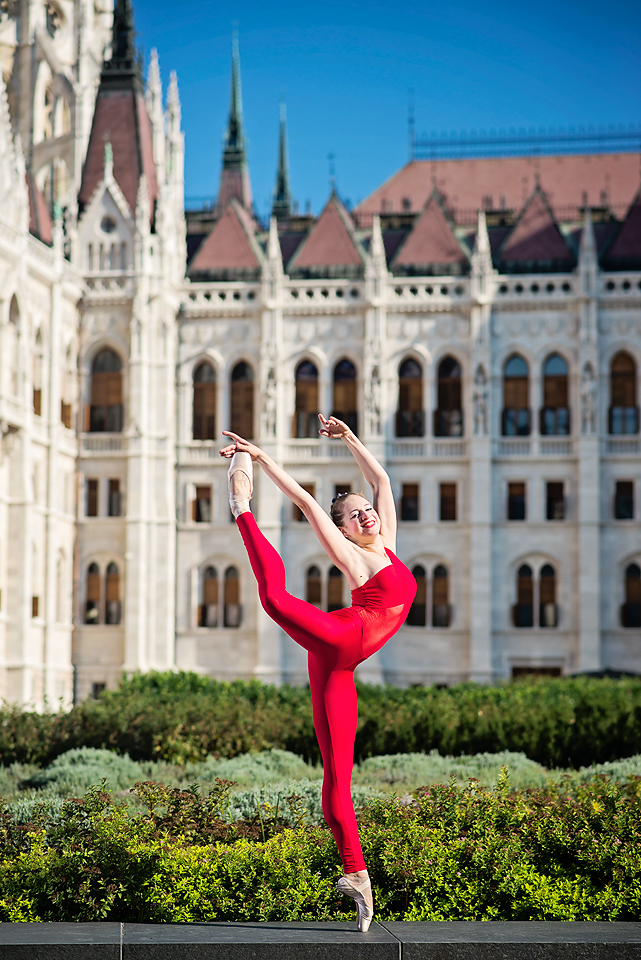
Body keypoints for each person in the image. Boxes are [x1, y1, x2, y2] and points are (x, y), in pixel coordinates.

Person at [219, 414, 417, 931]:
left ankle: (356, 873)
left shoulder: (389, 545)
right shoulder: (354, 558)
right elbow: (308, 504)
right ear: (345, 529)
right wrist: (261, 459)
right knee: (274, 597)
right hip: (339, 637)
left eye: (366, 511)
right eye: (354, 516)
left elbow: (384, 482)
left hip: (340, 667)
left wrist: (350, 437)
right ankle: (241, 509)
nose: (367, 516)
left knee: (338, 778)